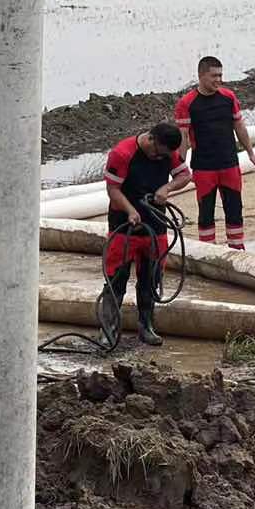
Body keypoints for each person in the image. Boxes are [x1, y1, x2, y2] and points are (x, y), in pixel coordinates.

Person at [103, 122, 192, 347]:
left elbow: (185, 176)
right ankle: (109, 331)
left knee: (151, 278)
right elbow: (112, 190)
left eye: (163, 155)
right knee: (116, 278)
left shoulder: (167, 153)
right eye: (156, 152)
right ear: (150, 139)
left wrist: (167, 188)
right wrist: (130, 210)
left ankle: (146, 327)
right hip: (124, 226)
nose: (157, 157)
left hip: (155, 224)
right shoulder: (122, 154)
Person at [175, 55, 255, 251]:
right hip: (204, 167)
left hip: (229, 163)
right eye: (214, 76)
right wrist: (180, 166)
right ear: (201, 75)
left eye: (220, 75)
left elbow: (239, 126)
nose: (218, 80)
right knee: (206, 212)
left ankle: (237, 249)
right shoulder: (187, 103)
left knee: (235, 209)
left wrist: (250, 152)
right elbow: (183, 138)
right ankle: (208, 251)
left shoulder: (228, 97)